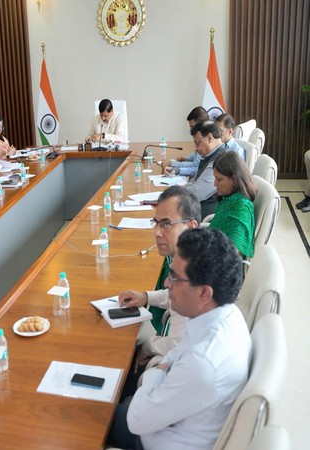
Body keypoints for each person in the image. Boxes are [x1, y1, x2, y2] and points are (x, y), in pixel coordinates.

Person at [109, 228, 251, 450]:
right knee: (111, 377)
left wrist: (156, 374)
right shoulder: (224, 313)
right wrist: (164, 368)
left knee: (86, 412)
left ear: (204, 293)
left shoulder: (202, 364)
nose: (166, 283)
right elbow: (178, 349)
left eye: (174, 277)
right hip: (172, 411)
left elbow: (136, 421)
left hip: (155, 438)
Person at [118, 187, 200, 371]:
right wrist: (146, 297)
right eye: (155, 223)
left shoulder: (193, 274)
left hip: (179, 371)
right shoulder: (188, 256)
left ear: (191, 226)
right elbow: (173, 293)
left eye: (166, 224)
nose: (156, 232)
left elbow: (176, 345)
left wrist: (148, 345)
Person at [166, 120, 225, 219]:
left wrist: (175, 191)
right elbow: (193, 181)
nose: (196, 149)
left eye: (198, 143)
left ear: (210, 138)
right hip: (195, 209)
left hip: (205, 217)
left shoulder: (221, 160)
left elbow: (195, 193)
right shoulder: (210, 156)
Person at [210, 151, 256, 259]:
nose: (214, 184)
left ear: (235, 179)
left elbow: (232, 256)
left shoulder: (240, 210)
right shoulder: (229, 199)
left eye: (219, 179)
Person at [162, 106, 209, 176]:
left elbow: (196, 167)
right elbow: (195, 159)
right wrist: (186, 159)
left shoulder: (206, 142)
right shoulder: (200, 139)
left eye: (192, 127)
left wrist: (173, 164)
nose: (191, 130)